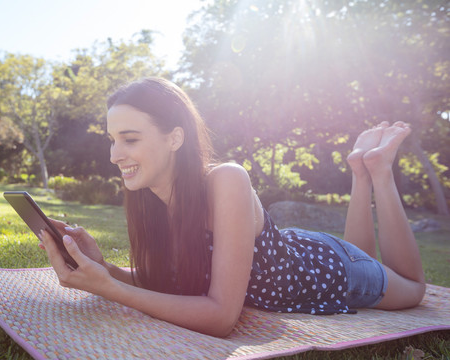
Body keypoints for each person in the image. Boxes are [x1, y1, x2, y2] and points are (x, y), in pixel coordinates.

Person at [39, 77, 426, 337]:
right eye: (112, 140)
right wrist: (102, 267)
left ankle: (378, 171)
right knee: (364, 254)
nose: (114, 155)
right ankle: (360, 172)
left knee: (410, 288)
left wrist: (108, 288)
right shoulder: (149, 195)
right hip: (295, 248)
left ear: (175, 138)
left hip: (326, 268)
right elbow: (164, 282)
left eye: (130, 139)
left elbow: (222, 317)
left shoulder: (226, 179)